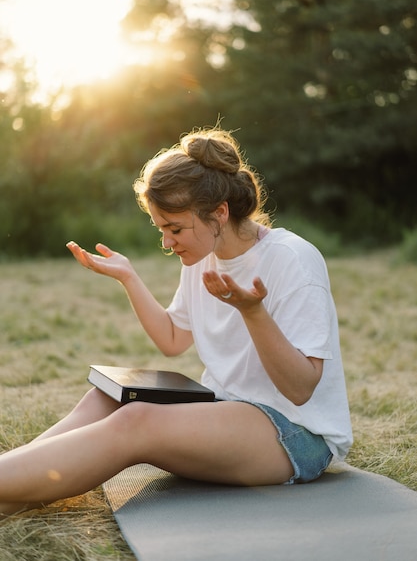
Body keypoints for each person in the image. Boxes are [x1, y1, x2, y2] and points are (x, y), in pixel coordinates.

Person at [0, 127, 352, 517]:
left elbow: (301, 388)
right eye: (161, 229)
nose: (167, 243)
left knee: (137, 420)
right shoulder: (202, 255)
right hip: (227, 410)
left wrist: (253, 312)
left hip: (296, 435)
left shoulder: (293, 258)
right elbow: (172, 339)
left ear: (219, 212)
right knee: (108, 397)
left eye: (175, 228)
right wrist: (129, 277)